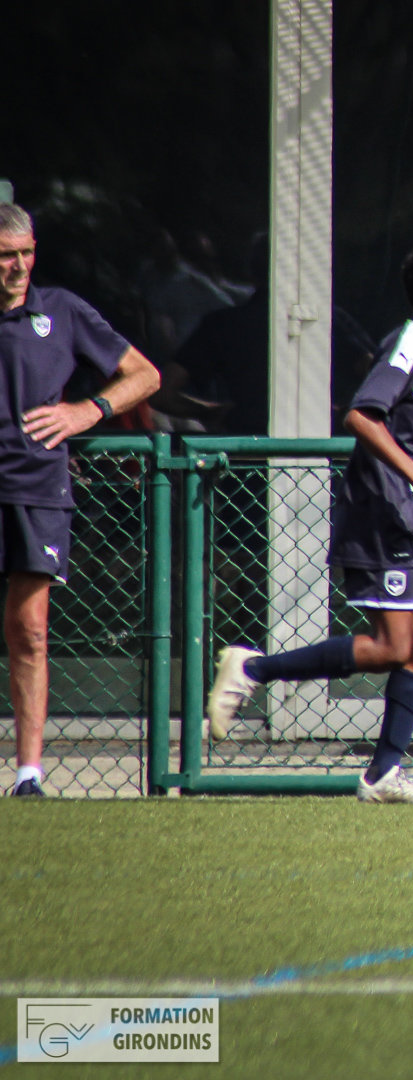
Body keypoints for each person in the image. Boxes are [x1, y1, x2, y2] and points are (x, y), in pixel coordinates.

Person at [204, 242, 413, 805]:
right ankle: (253, 668)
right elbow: (362, 414)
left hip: (412, 514)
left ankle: (383, 775)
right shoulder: (410, 340)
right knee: (393, 645)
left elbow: (407, 434)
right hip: (384, 511)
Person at [0, 204, 162, 796]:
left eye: (26, 253)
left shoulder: (61, 311)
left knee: (30, 631)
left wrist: (85, 411)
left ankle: (28, 774)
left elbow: (144, 375)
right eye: (4, 256)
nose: (18, 266)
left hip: (36, 488)